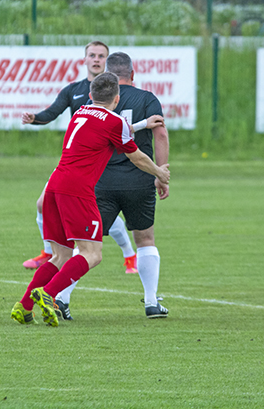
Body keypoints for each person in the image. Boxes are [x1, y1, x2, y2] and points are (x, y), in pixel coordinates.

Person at [11, 72, 170, 327]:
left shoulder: (80, 113)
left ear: (89, 95)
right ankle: (48, 294)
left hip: (54, 186)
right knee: (93, 254)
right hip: (77, 190)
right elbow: (136, 155)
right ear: (116, 99)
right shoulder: (113, 121)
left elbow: (112, 131)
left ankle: (24, 305)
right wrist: (160, 172)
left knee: (60, 256)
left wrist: (140, 125)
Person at [21, 41, 160, 277]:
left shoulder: (113, 92)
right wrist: (35, 118)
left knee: (102, 214)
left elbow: (116, 128)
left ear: (107, 63)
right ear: (84, 59)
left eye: (101, 56)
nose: (96, 59)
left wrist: (142, 125)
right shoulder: (76, 91)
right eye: (92, 55)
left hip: (100, 167)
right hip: (75, 163)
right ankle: (51, 252)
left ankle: (127, 255)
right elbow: (52, 113)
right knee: (44, 204)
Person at [94, 51, 170, 319]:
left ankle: (62, 298)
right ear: (133, 74)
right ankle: (151, 302)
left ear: (108, 77)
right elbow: (160, 133)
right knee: (145, 239)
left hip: (102, 180)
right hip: (139, 180)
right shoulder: (147, 99)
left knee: (87, 244)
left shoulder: (98, 103)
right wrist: (161, 172)